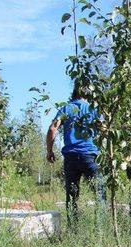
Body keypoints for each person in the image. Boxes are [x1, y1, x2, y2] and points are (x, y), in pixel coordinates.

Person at [46, 81, 106, 225]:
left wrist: (49, 151)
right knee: (100, 193)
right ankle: (101, 231)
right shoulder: (94, 109)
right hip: (90, 155)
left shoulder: (66, 109)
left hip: (71, 157)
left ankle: (73, 229)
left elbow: (53, 128)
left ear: (74, 93)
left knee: (72, 196)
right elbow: (104, 129)